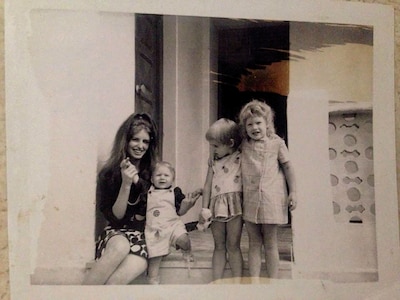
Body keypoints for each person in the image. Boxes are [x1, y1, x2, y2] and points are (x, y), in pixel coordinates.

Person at [82, 112, 158, 285]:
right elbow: (116, 219)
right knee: (120, 246)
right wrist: (126, 184)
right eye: (135, 140)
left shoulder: (155, 174)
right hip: (116, 235)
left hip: (142, 239)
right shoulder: (109, 175)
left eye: (145, 141)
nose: (140, 146)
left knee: (125, 274)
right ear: (125, 141)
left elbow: (156, 209)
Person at [238, 99, 297, 279]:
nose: (255, 128)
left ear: (267, 123)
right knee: (254, 242)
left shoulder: (277, 143)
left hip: (272, 199)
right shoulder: (243, 145)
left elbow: (288, 167)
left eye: (258, 123)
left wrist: (294, 191)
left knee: (270, 243)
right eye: (250, 124)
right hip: (250, 198)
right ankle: (255, 283)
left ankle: (272, 283)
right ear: (245, 127)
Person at [140, 161, 202, 284]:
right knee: (154, 260)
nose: (162, 177)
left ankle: (187, 252)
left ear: (172, 179)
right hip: (155, 230)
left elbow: (181, 210)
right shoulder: (147, 193)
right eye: (158, 175)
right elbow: (142, 211)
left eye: (166, 175)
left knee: (184, 240)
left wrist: (190, 201)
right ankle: (153, 281)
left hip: (173, 226)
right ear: (152, 179)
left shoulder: (175, 193)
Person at [198, 118, 244, 282]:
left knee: (233, 245)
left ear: (230, 143)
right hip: (216, 207)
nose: (213, 150)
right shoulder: (213, 164)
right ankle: (217, 282)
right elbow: (207, 185)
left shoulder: (241, 158)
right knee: (218, 246)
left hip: (234, 206)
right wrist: (204, 209)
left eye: (216, 146)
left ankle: (238, 282)